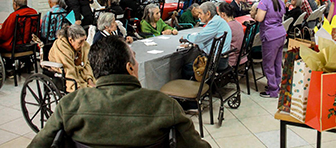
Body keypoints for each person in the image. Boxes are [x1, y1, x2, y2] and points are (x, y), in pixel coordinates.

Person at [29, 36, 211, 148]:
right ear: (130, 67)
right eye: (135, 59)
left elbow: (39, 144)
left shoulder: (70, 104)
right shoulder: (163, 104)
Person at [252, 0, 286, 98]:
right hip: (281, 34)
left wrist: (254, 15)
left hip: (270, 36)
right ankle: (276, 85)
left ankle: (272, 90)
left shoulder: (264, 1)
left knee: (268, 64)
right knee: (277, 62)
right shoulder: (280, 1)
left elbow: (260, 18)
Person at [182, 2, 232, 72]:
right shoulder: (219, 21)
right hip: (222, 60)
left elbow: (198, 38)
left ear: (208, 14)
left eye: (200, 13)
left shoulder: (215, 23)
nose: (198, 16)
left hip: (216, 62)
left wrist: (186, 37)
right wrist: (198, 42)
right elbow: (203, 39)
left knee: (186, 69)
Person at [48, 24, 95, 92]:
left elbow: (86, 63)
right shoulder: (61, 46)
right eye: (80, 42)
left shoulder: (84, 45)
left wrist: (89, 80)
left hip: (79, 69)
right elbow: (68, 69)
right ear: (70, 40)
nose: (83, 45)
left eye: (84, 40)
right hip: (65, 70)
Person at [218, 2, 246, 67]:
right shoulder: (238, 23)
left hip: (232, 60)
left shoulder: (226, 27)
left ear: (223, 15)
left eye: (218, 14)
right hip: (242, 56)